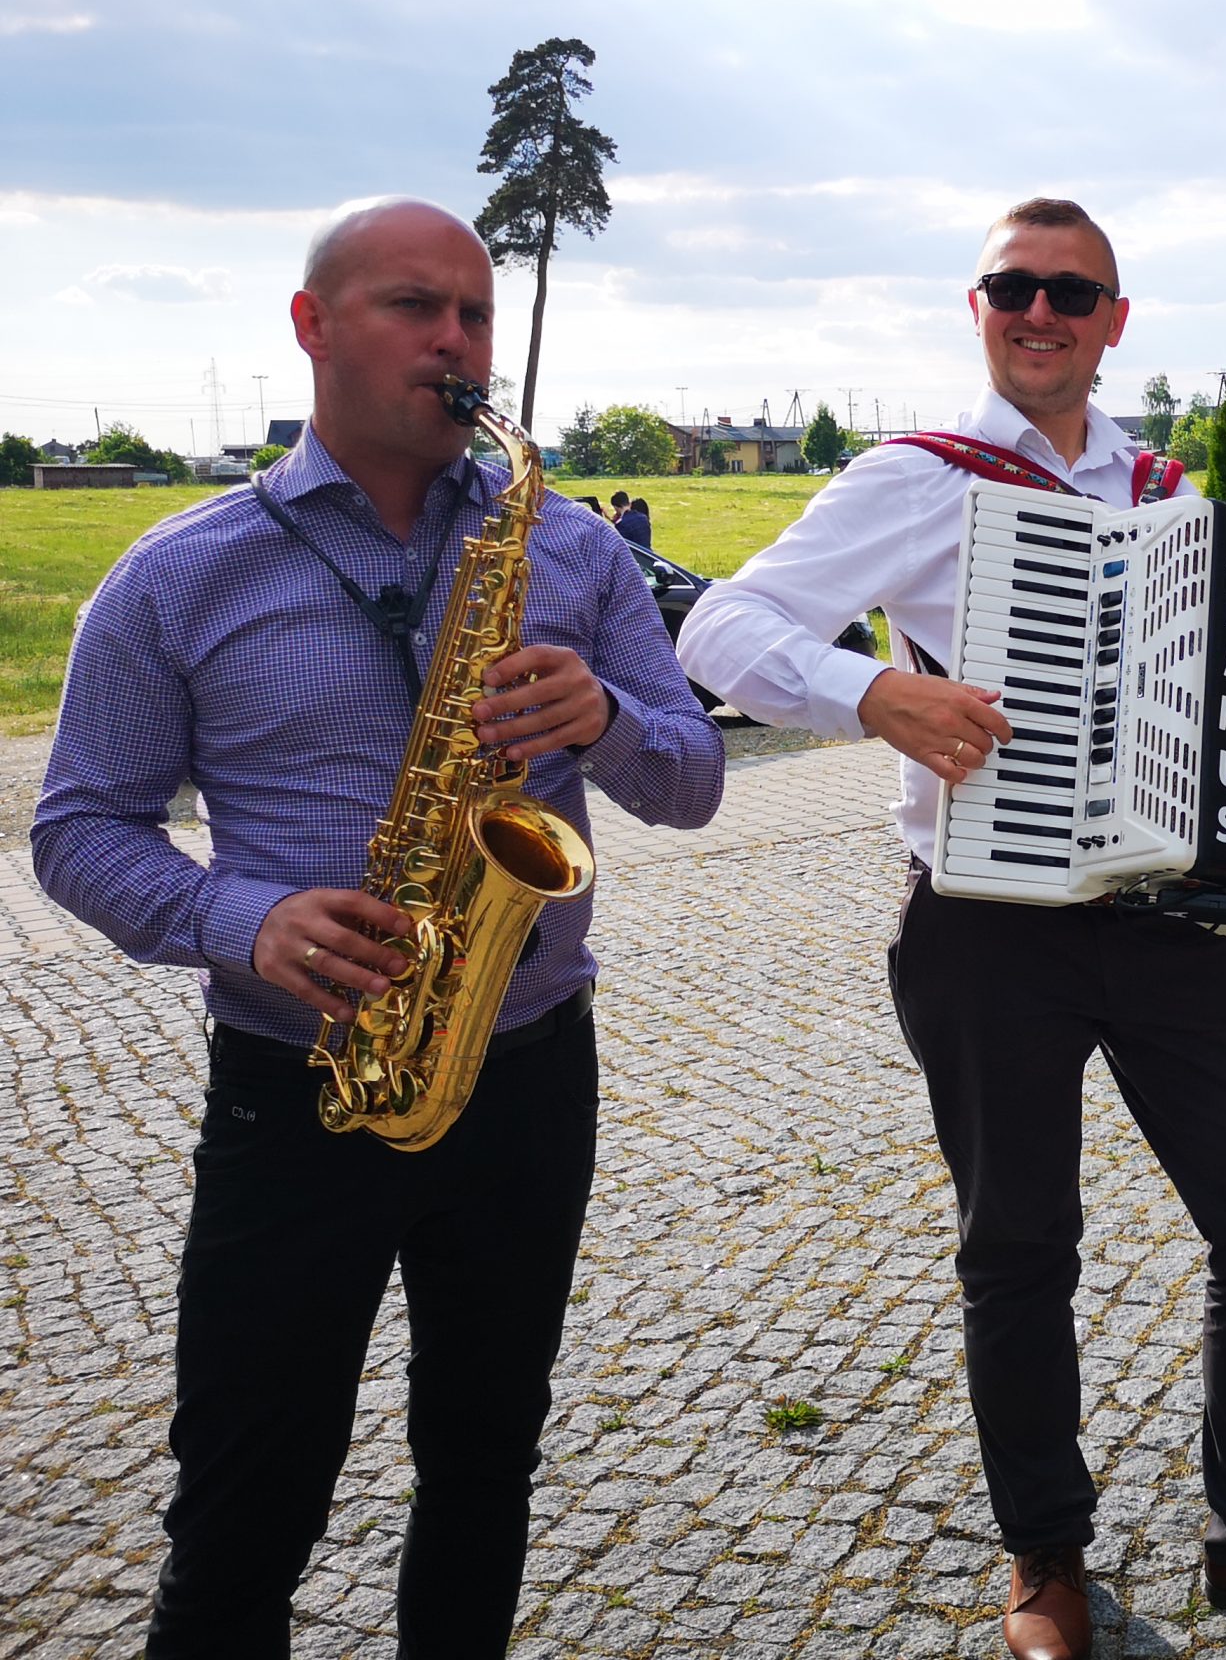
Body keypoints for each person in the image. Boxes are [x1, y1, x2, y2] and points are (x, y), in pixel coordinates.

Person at [676, 198, 1226, 1660]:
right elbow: (717, 629)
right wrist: (870, 692)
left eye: (1071, 292)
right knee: (1019, 1247)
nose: (1041, 311)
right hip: (984, 924)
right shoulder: (918, 480)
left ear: (1113, 322)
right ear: (977, 308)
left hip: (1167, 924)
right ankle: (1045, 1559)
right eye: (1012, 286)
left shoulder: (1168, 495)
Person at [33, 197, 726, 1657]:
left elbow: (693, 779)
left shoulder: (573, 550)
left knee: (485, 1463)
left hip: (530, 1071)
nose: (457, 343)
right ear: (312, 326)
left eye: (475, 314)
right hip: (299, 1087)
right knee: (245, 1495)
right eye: (417, 307)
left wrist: (602, 716)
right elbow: (78, 826)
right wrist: (243, 918)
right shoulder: (178, 572)